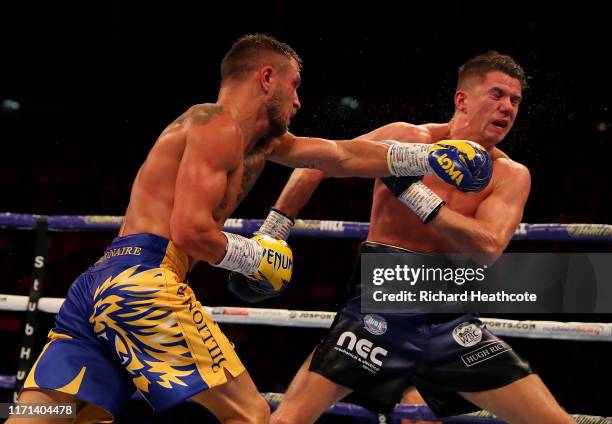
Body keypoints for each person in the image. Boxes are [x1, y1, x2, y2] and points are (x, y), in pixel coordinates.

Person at [10, 34, 489, 424]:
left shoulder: (258, 143)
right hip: (144, 282)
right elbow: (192, 230)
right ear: (267, 79)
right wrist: (255, 256)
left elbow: (342, 156)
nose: (300, 100)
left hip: (97, 287)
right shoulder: (214, 124)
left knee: (52, 416)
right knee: (252, 416)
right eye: (295, 85)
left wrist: (428, 157)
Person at [264, 51, 575, 423]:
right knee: (289, 419)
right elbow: (317, 164)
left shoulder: (510, 175)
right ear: (462, 100)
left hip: (451, 323)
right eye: (496, 95)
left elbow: (489, 246)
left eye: (515, 100)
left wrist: (415, 195)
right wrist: (272, 234)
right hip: (379, 310)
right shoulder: (407, 140)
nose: (507, 107)